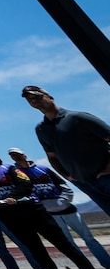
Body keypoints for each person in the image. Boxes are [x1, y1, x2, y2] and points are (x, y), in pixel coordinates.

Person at [0, 143, 107, 269]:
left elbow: (26, 185)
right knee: (36, 249)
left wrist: (14, 197)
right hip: (10, 217)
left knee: (63, 244)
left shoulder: (9, 168)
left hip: (34, 211)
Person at [11, 147, 110, 268]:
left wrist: (65, 200)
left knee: (89, 238)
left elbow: (62, 184)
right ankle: (86, 268)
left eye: (18, 154)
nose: (16, 157)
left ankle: (107, 264)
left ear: (24, 155)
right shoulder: (17, 174)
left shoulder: (43, 169)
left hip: (67, 209)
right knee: (68, 242)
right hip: (49, 214)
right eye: (13, 156)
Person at [24, 85, 110, 216]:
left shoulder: (78, 118)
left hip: (106, 177)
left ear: (50, 97)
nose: (34, 100)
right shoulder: (41, 129)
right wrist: (69, 177)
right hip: (84, 183)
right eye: (29, 99)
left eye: (37, 96)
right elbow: (52, 157)